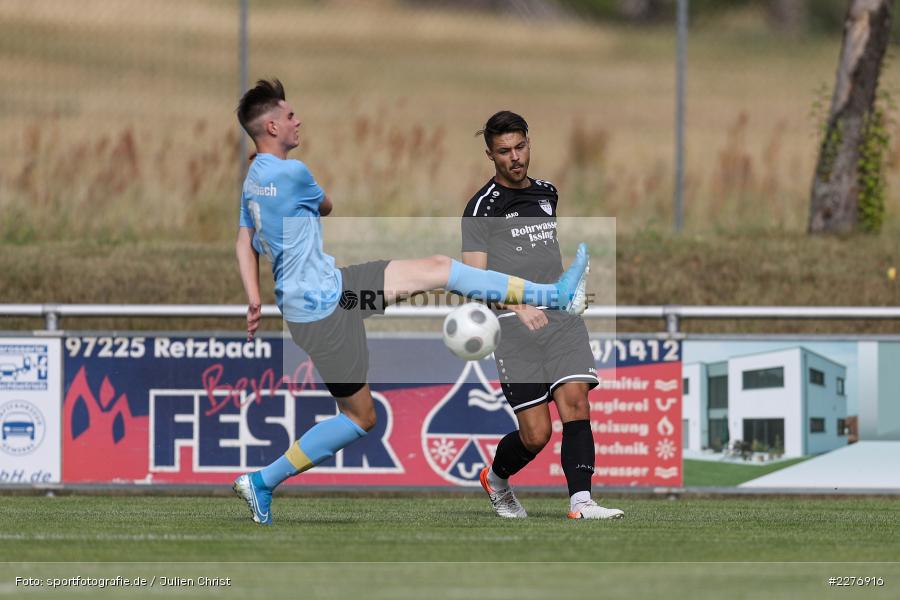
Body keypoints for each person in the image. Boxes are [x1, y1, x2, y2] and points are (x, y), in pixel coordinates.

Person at [231, 80, 591, 525]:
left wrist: (252, 297)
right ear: (270, 126)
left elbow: (244, 238)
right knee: (360, 418)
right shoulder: (292, 173)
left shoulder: (253, 180)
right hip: (328, 309)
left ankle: (553, 295)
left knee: (438, 268)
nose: (296, 120)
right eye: (288, 116)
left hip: (322, 297)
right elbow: (325, 206)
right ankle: (263, 481)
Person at [461, 111, 623, 520]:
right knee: (537, 436)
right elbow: (472, 280)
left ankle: (581, 502)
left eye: (520, 147)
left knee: (576, 402)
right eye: (504, 151)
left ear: (529, 143)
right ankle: (496, 481)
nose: (514, 157)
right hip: (514, 331)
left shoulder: (547, 193)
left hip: (561, 321)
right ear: (490, 155)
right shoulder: (481, 208)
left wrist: (572, 287)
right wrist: (517, 305)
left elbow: (545, 254)